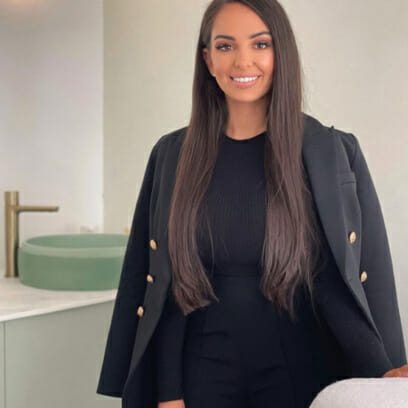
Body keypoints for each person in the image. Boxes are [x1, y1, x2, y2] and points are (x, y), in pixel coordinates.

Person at [96, 1, 408, 407]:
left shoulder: (332, 152)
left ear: (281, 53)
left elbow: (340, 279)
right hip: (200, 372)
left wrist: (385, 370)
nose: (243, 60)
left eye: (260, 44)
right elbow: (168, 285)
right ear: (207, 59)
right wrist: (168, 393)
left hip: (300, 371)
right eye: (225, 46)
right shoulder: (172, 155)